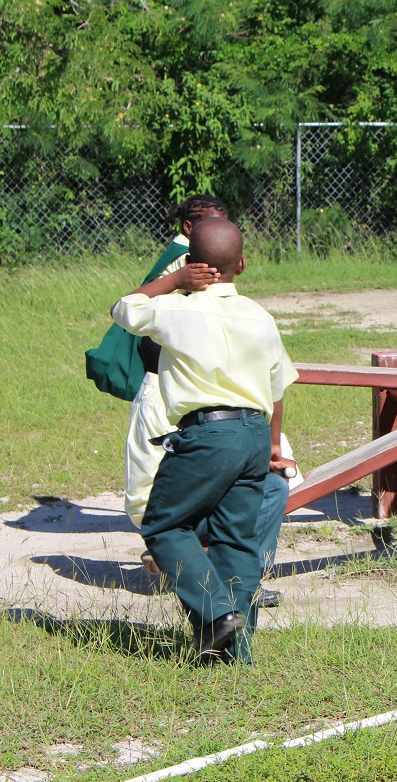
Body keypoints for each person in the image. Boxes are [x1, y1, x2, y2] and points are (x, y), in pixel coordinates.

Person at [112, 217, 298, 663]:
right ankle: (238, 653)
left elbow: (123, 308)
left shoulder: (178, 308)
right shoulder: (260, 316)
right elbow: (278, 391)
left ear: (194, 264)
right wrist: (274, 445)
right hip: (254, 434)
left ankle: (217, 616)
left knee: (162, 524)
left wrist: (176, 279)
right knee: (236, 538)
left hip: (207, 434)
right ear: (243, 264)